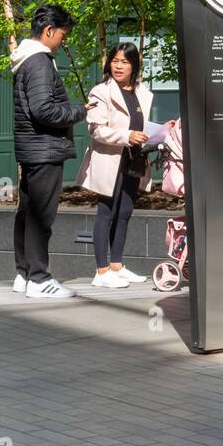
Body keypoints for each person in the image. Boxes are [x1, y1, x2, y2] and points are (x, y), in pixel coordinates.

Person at [11, 4, 94, 299]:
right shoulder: (40, 62)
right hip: (45, 149)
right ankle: (39, 278)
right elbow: (43, 109)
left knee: (28, 213)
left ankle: (24, 274)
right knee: (41, 217)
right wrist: (78, 112)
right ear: (49, 31)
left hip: (32, 149)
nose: (63, 41)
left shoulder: (25, 60)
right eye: (63, 34)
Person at [76, 42, 153, 288]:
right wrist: (126, 136)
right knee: (106, 212)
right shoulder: (100, 91)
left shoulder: (142, 93)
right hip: (110, 159)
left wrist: (160, 132)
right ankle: (101, 271)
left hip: (134, 158)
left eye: (125, 62)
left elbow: (141, 125)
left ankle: (117, 266)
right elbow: (96, 129)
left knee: (125, 212)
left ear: (134, 66)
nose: (119, 66)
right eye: (115, 61)